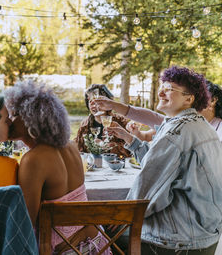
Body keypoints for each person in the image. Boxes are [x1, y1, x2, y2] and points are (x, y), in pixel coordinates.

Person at [106, 66, 222, 254]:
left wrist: (121, 215)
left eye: (169, 89)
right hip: (205, 233)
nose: (160, 91)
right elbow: (164, 165)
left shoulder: (176, 132)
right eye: (162, 86)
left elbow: (148, 189)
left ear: (188, 98)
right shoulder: (199, 125)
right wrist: (131, 140)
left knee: (102, 233)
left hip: (178, 240)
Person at [4, 81, 111, 254]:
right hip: (98, 244)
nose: (8, 120)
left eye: (14, 114)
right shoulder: (71, 147)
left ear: (32, 118)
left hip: (65, 250)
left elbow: (25, 224)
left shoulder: (33, 160)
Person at [94, 80, 222, 141]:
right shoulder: (188, 123)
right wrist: (114, 106)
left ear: (212, 101)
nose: (191, 100)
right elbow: (154, 118)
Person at [75, 84, 131, 158]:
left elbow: (130, 149)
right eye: (91, 102)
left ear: (108, 103)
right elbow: (79, 150)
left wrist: (105, 146)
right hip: (94, 167)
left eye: (98, 102)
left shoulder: (120, 121)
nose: (94, 106)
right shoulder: (85, 125)